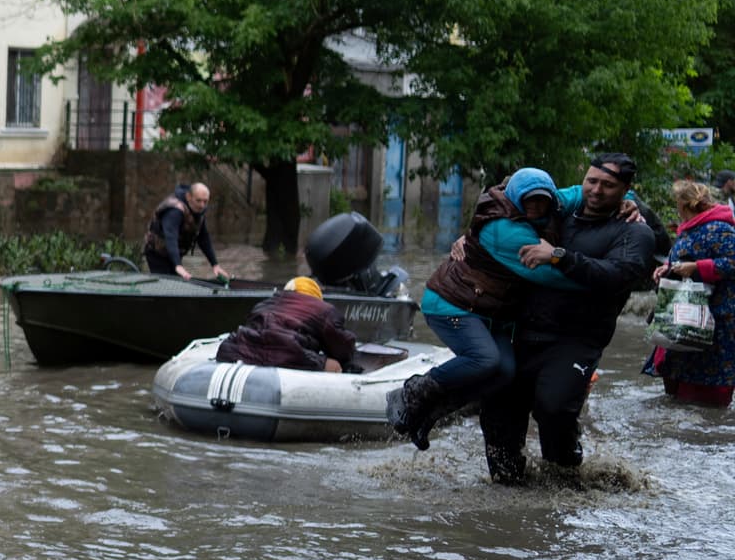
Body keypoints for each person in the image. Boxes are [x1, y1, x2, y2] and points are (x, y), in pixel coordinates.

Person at [479, 153, 660, 484]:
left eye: (608, 185)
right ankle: (505, 483)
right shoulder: (558, 214)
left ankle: (565, 479)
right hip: (523, 330)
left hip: (576, 339)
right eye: (591, 181)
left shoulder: (634, 233)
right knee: (497, 406)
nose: (596, 190)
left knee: (554, 408)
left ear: (626, 190)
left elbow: (618, 275)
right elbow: (500, 207)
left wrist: (559, 256)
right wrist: (469, 237)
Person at [388, 168, 580, 450]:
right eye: (530, 201)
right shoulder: (504, 230)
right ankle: (410, 392)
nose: (536, 207)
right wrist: (599, 277)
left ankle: (431, 413)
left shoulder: (553, 202)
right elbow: (550, 276)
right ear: (515, 198)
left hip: (491, 311)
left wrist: (628, 199)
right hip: (452, 303)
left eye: (542, 201)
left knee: (504, 372)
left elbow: (581, 192)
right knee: (485, 359)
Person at [643, 179, 735, 407]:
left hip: (715, 314)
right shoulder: (691, 228)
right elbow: (682, 259)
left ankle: (706, 425)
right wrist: (667, 269)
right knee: (677, 366)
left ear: (685, 205)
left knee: (707, 379)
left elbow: (731, 262)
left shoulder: (721, 228)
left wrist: (696, 268)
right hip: (684, 311)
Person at [215, 276, 357, 372]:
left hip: (237, 351)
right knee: (335, 366)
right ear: (315, 296)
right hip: (287, 354)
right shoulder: (323, 310)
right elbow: (343, 348)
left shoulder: (263, 304)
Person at [142, 182, 231, 281]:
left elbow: (203, 238)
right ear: (189, 197)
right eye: (198, 201)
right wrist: (178, 265)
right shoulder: (175, 210)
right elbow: (171, 237)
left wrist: (215, 265)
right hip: (157, 252)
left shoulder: (199, 212)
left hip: (174, 252)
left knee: (176, 283)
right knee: (165, 284)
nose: (202, 205)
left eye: (205, 201)